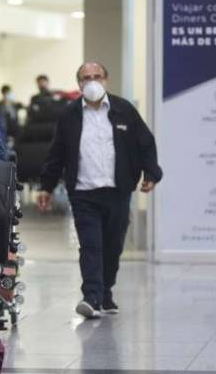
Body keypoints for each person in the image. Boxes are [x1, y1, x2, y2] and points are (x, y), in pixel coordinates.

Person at [37, 62, 162, 319]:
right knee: (91, 245)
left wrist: (151, 174)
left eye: (97, 76)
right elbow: (57, 152)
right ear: (79, 83)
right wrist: (46, 186)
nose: (92, 81)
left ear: (106, 80)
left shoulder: (124, 110)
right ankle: (91, 297)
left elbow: (145, 143)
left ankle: (105, 291)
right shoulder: (69, 114)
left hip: (118, 191)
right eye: (86, 77)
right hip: (83, 192)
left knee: (113, 247)